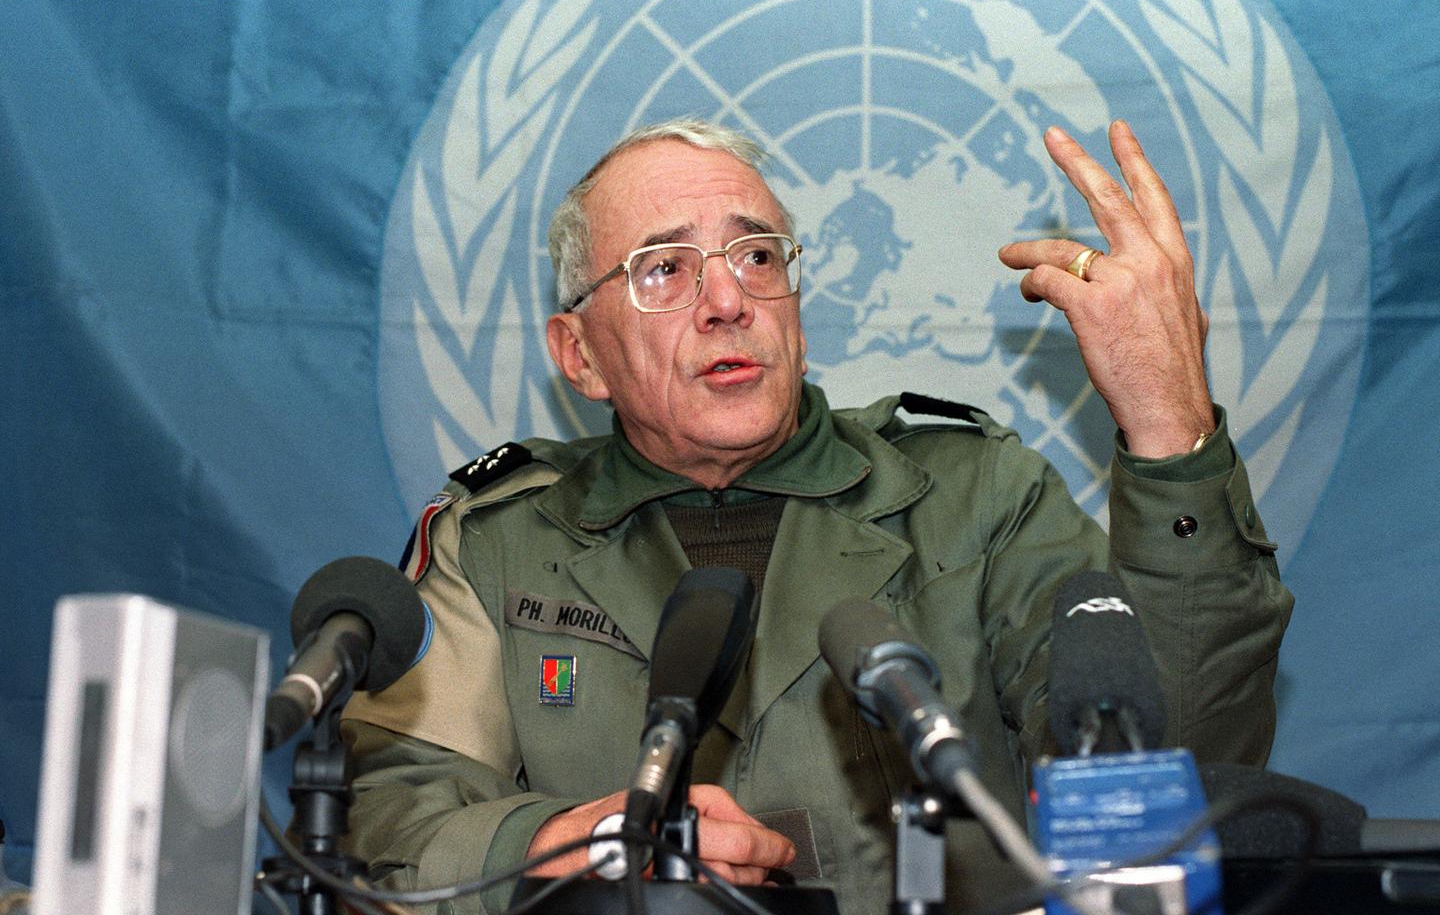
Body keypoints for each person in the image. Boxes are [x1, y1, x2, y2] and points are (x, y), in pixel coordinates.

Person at [340, 117, 1291, 914]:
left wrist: (1170, 427)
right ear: (579, 354)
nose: (727, 300)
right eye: (663, 269)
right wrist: (568, 843)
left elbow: (1171, 775)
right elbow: (390, 834)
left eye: (756, 255)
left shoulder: (976, 496)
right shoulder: (499, 542)